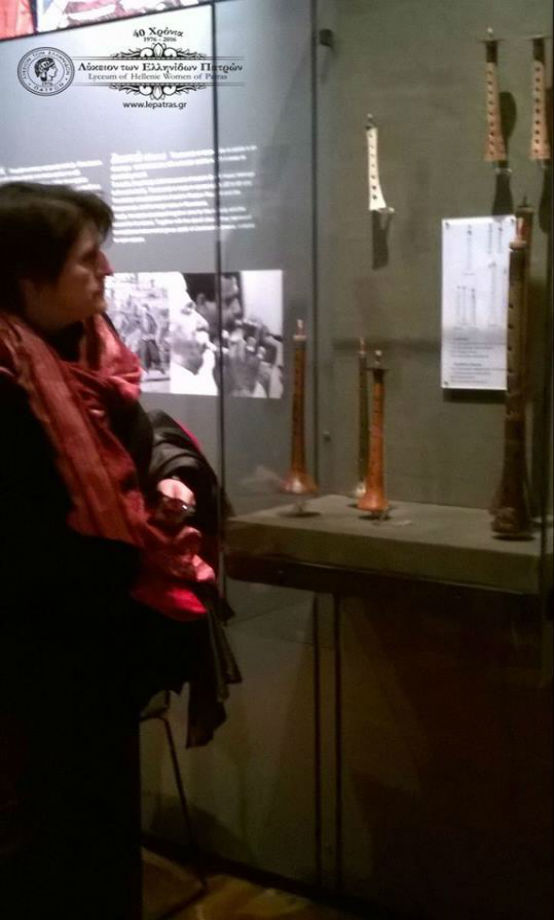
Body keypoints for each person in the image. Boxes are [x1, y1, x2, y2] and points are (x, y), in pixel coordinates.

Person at [0, 182, 240, 919]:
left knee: (100, 838)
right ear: (27, 278)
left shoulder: (90, 355)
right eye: (85, 258)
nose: (105, 269)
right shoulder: (10, 383)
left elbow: (132, 455)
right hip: (32, 665)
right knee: (46, 847)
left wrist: (164, 485)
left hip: (102, 652)